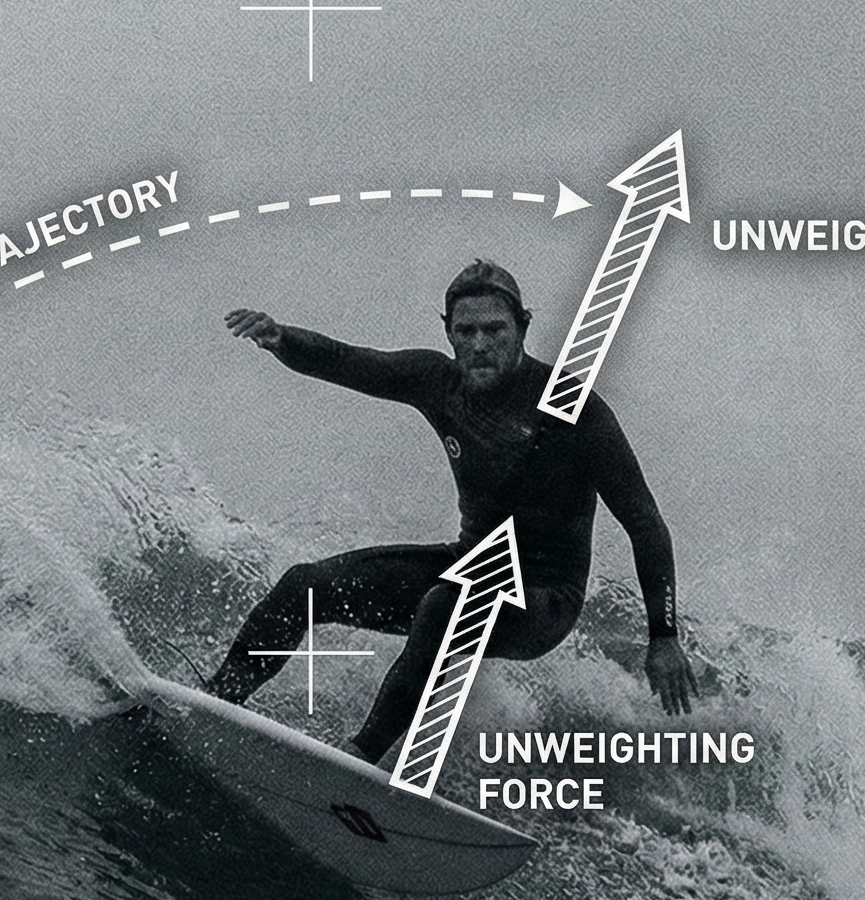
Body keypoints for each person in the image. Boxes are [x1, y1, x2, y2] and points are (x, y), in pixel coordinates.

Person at [201, 259, 693, 763]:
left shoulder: (572, 409)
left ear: (523, 327)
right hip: (468, 567)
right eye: (466, 331)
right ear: (449, 334)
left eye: (495, 329)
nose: (480, 344)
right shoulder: (438, 381)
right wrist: (282, 338)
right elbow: (348, 361)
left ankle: (356, 762)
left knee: (445, 604)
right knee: (305, 585)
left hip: (543, 600)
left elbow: (645, 523)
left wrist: (664, 636)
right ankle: (211, 707)